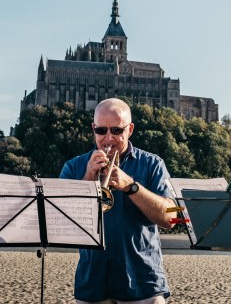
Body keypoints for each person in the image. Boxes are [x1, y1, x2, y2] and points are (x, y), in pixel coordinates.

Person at [60, 98, 176, 304]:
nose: (108, 138)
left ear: (130, 129)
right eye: (101, 130)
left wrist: (132, 187)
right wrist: (88, 177)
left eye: (116, 130)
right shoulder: (73, 167)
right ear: (93, 129)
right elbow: (63, 225)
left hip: (143, 285)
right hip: (93, 285)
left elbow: (172, 218)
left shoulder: (153, 164)